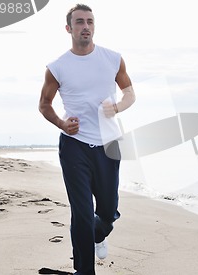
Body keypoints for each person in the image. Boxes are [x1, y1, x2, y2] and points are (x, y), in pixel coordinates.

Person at [38, 4, 135, 275]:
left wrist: (117, 107)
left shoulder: (113, 59)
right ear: (69, 28)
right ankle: (84, 270)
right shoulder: (57, 67)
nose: (86, 26)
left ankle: (98, 233)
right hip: (74, 146)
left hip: (108, 145)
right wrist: (60, 123)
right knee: (81, 213)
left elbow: (129, 93)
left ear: (94, 26)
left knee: (107, 212)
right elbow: (44, 104)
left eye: (90, 21)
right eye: (79, 22)